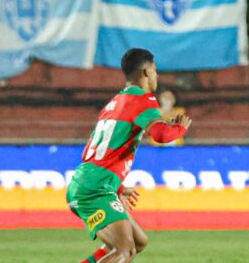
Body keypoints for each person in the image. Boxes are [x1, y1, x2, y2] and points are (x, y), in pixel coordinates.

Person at [66, 48, 191, 263]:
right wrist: (180, 129)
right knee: (124, 252)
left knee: (138, 241)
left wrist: (119, 187)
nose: (157, 76)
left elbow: (100, 151)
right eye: (155, 70)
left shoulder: (115, 102)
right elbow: (160, 135)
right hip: (95, 187)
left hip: (91, 181)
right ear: (146, 72)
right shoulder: (143, 100)